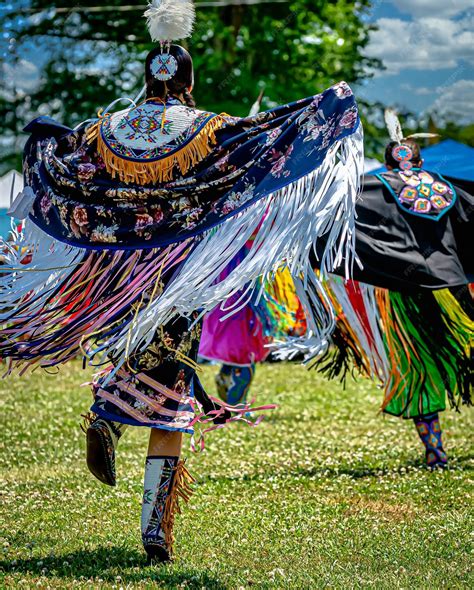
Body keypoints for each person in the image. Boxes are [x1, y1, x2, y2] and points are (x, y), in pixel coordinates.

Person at [0, 0, 363, 563]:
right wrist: (327, 109)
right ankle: (154, 530)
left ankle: (108, 413)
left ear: (145, 78)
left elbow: (63, 157)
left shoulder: (105, 130)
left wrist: (45, 139)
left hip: (113, 283)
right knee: (171, 403)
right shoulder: (206, 129)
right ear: (188, 82)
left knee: (140, 366)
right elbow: (259, 143)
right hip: (178, 284)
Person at [311, 110, 473, 468]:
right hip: (456, 291)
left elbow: (333, 220)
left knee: (419, 368)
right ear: (421, 160)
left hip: (406, 292)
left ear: (387, 162)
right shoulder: (446, 186)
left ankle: (435, 450)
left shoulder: (375, 188)